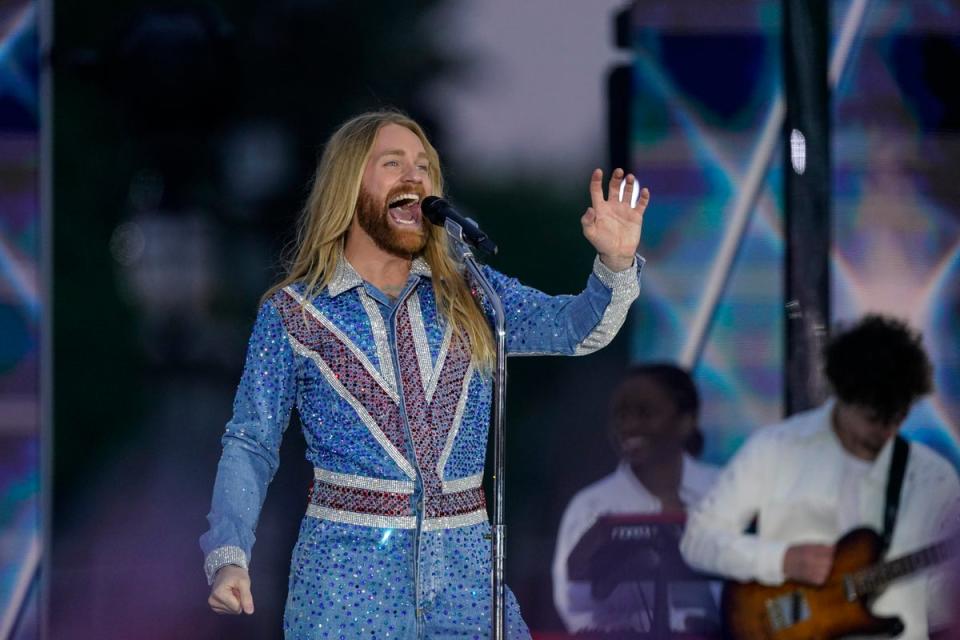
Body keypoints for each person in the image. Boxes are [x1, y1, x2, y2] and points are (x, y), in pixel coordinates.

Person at [199, 110, 650, 638]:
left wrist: (615, 266)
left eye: (424, 167)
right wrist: (229, 554)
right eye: (393, 163)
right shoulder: (294, 312)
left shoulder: (472, 292)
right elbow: (251, 442)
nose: (415, 177)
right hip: (346, 578)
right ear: (349, 185)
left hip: (468, 574)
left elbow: (573, 329)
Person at [680, 314, 960, 639]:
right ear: (842, 393)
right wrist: (781, 560)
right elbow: (697, 541)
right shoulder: (775, 450)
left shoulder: (933, 477)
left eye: (896, 418)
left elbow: (941, 602)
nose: (885, 432)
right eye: (873, 418)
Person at [552, 363, 720, 633]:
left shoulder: (724, 491)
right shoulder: (591, 506)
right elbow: (573, 605)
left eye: (645, 413)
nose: (629, 425)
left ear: (686, 421)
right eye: (621, 415)